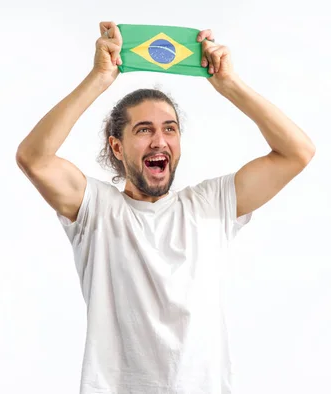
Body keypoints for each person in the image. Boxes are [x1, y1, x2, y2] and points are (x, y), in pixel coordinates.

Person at [16, 21, 315, 394]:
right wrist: (99, 78)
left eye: (170, 128)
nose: (160, 139)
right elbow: (34, 158)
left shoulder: (211, 204)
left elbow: (297, 153)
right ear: (117, 147)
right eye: (143, 130)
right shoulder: (96, 210)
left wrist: (230, 85)